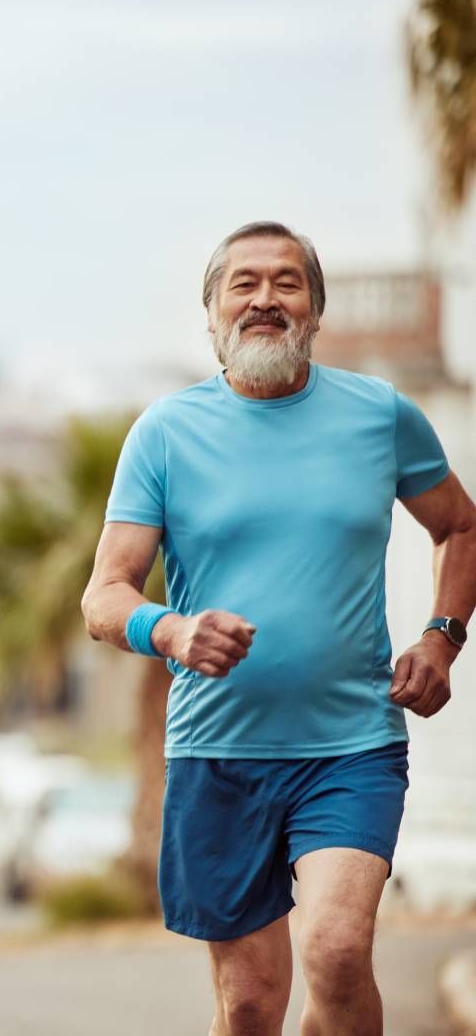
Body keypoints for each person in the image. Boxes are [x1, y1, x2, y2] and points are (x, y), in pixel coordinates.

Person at [82, 221, 476, 1035]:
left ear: (316, 311)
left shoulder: (380, 416)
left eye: (287, 282)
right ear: (214, 313)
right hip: (216, 755)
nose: (266, 298)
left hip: (350, 745)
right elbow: (104, 596)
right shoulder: (165, 432)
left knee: (335, 952)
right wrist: (173, 631)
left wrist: (442, 636)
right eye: (245, 283)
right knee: (252, 1003)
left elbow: (460, 527)